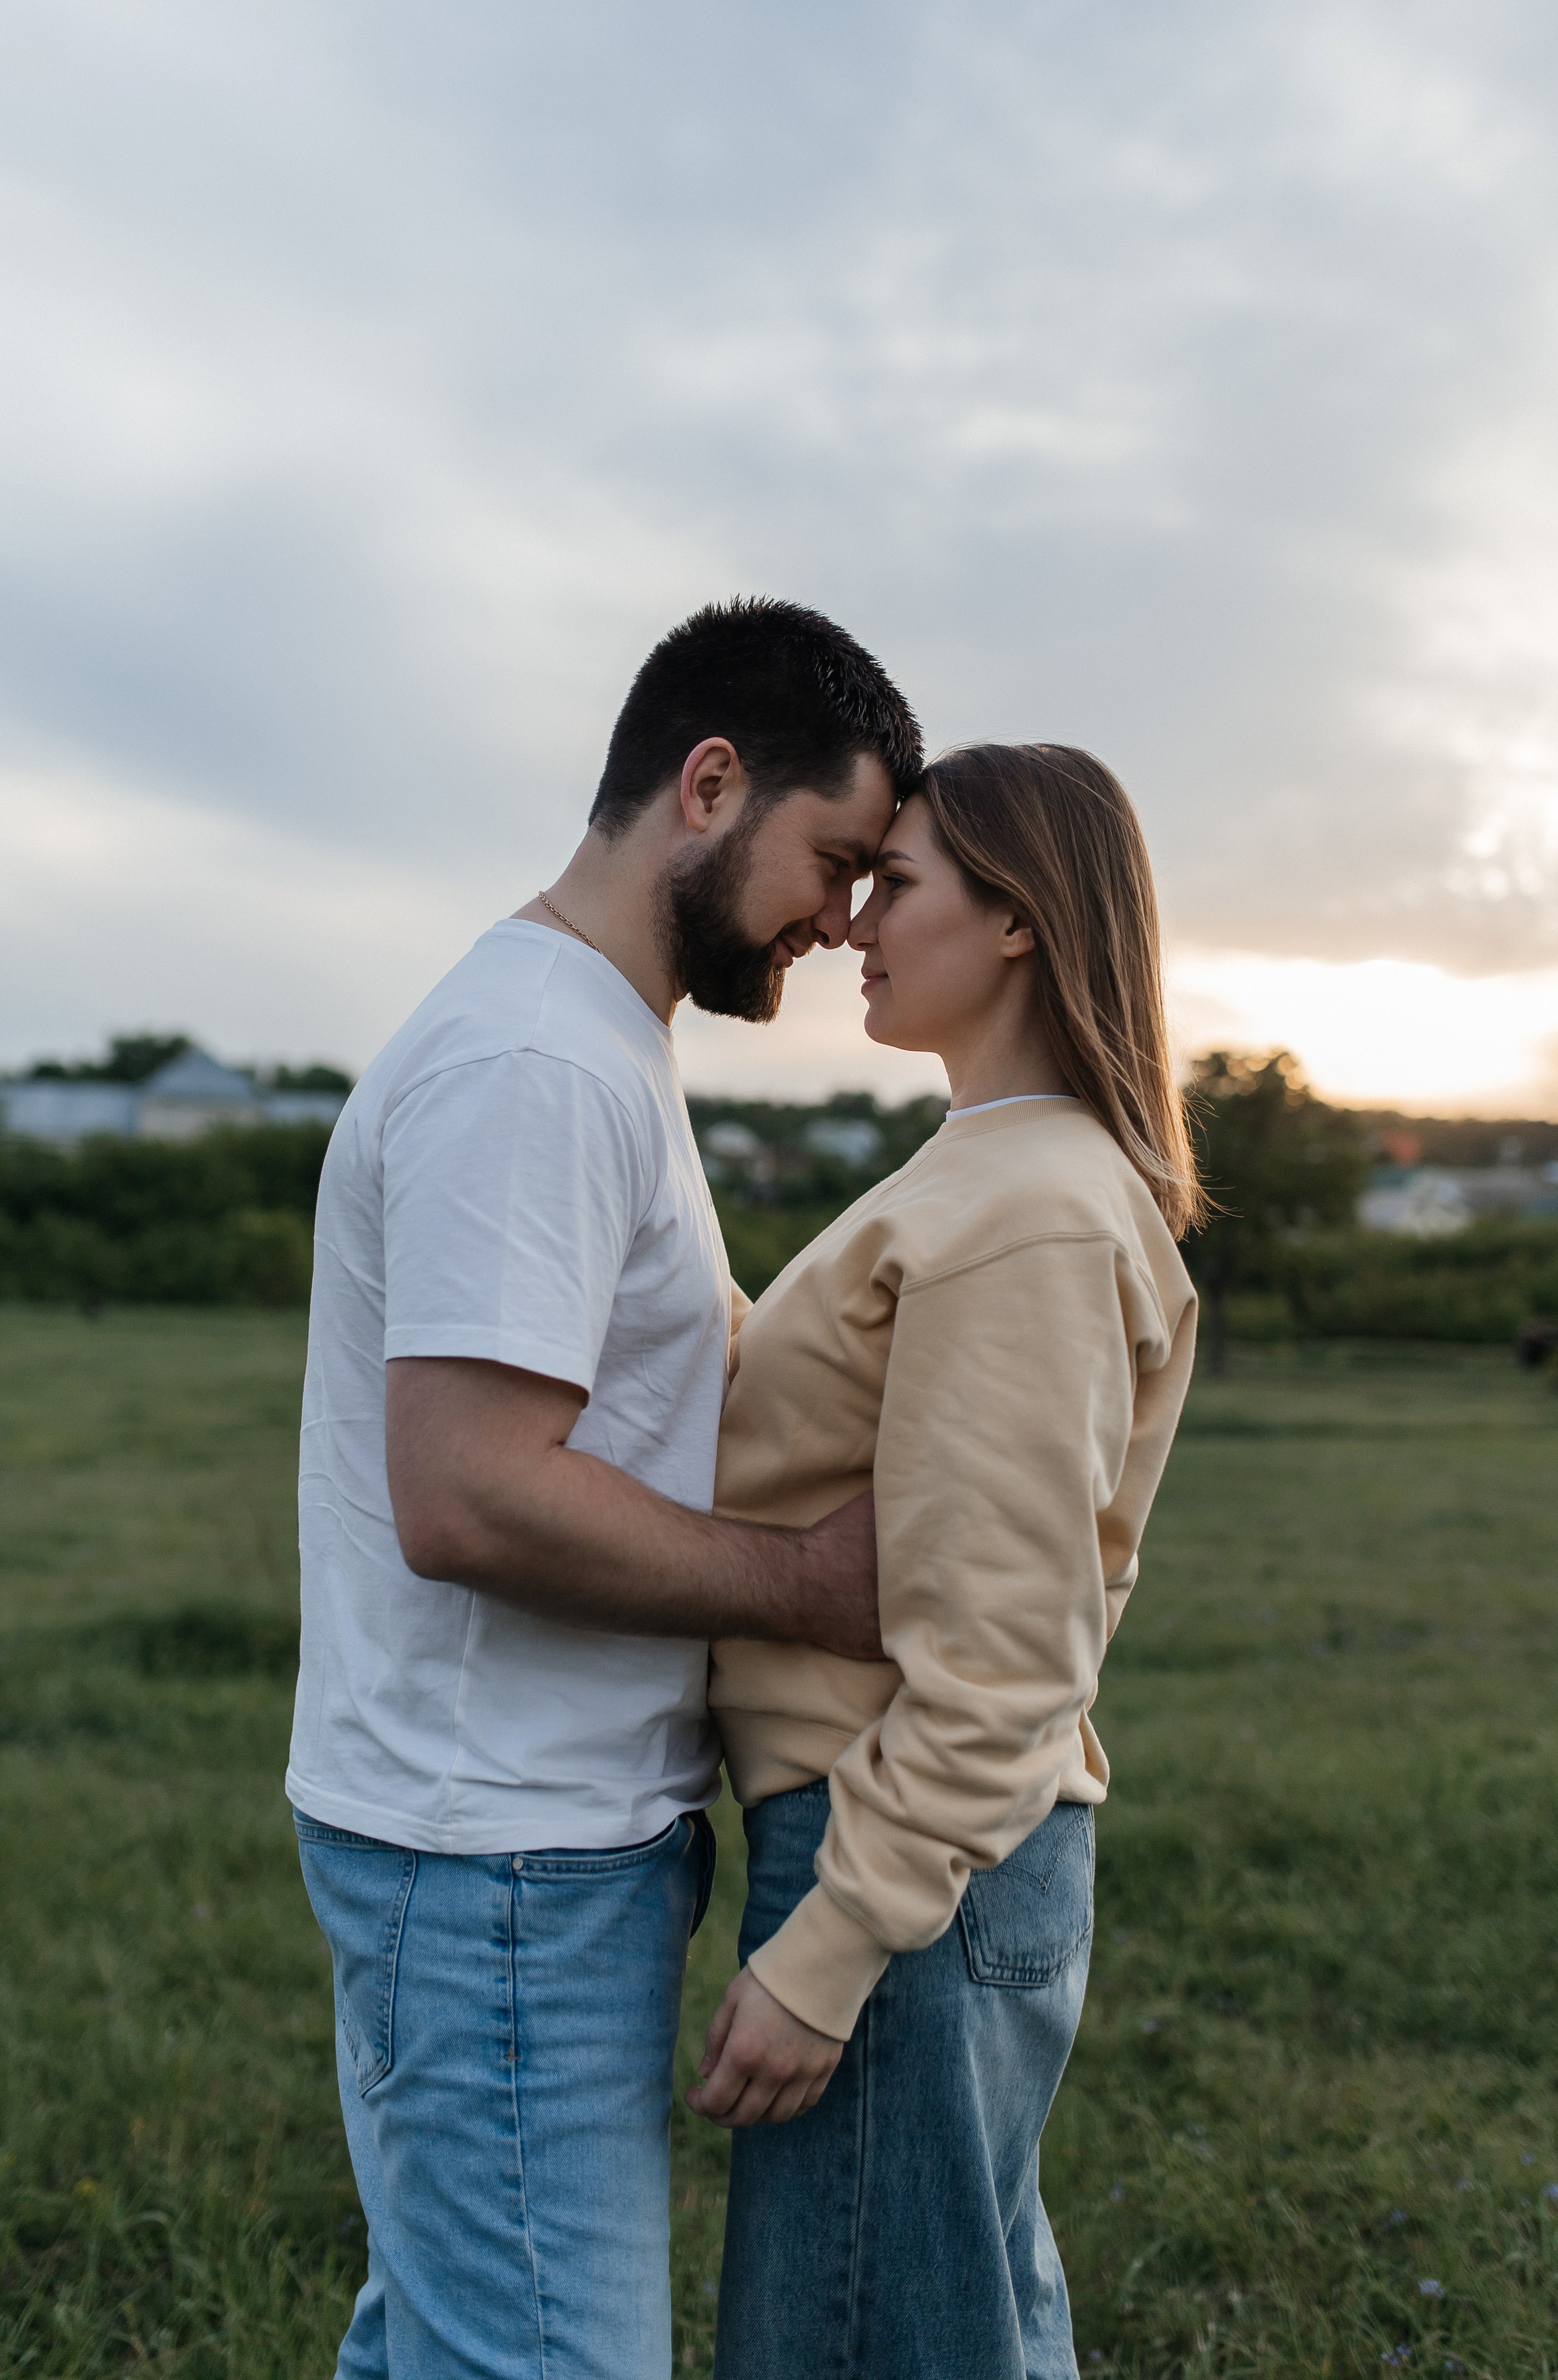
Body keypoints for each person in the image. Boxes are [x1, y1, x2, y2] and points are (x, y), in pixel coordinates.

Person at [286, 597, 922, 2380]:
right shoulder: (540, 1061)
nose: (844, 920)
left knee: (444, 2337)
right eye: (836, 860)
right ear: (709, 785)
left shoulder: (595, 1035)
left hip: (515, 1843)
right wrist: (809, 1582)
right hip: (494, 1856)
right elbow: (472, 1496)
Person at [690, 743, 1203, 2378]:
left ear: (1019, 920)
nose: (853, 923)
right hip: (934, 1857)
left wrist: (834, 1948)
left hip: (903, 1858)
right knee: (961, 2329)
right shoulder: (994, 1173)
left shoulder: (1026, 1206)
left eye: (896, 884)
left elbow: (1006, 1646)